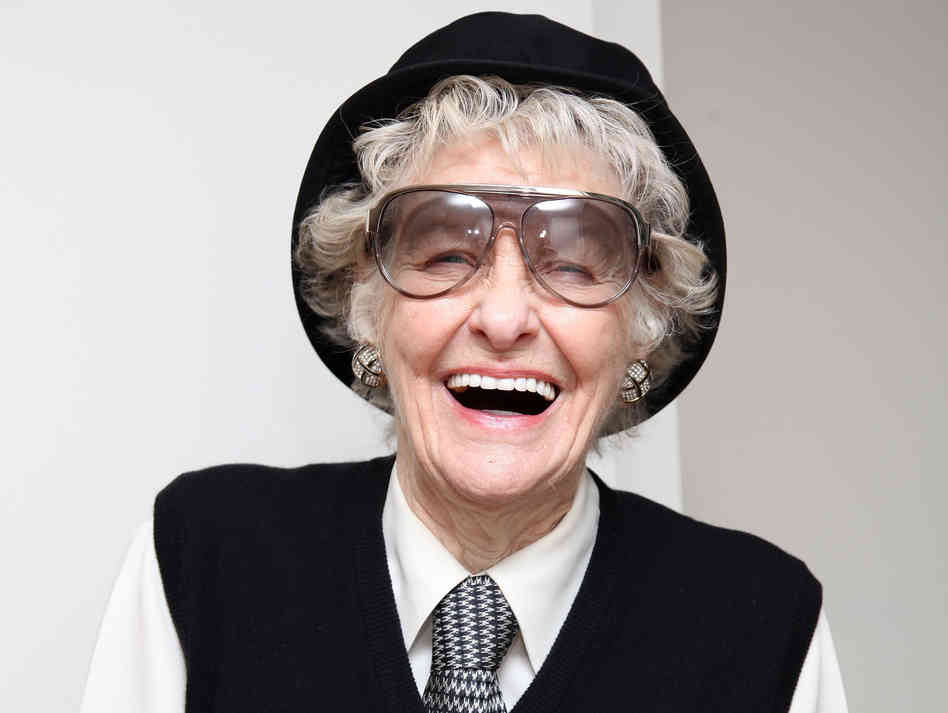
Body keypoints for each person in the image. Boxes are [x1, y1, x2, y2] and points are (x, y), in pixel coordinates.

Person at [80, 12, 848, 713]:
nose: (504, 319)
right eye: (447, 254)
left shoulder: (765, 630)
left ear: (643, 328)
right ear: (366, 304)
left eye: (573, 265)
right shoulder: (201, 561)